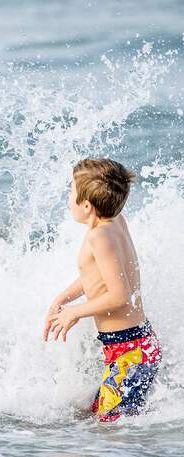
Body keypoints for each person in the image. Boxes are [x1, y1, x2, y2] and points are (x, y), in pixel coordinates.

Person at [44, 158, 161, 422]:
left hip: (129, 352)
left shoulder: (98, 237)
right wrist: (63, 298)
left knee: (110, 428)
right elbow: (96, 276)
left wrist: (75, 312)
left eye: (71, 191)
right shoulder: (115, 222)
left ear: (86, 206)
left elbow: (120, 296)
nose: (68, 197)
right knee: (97, 415)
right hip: (136, 347)